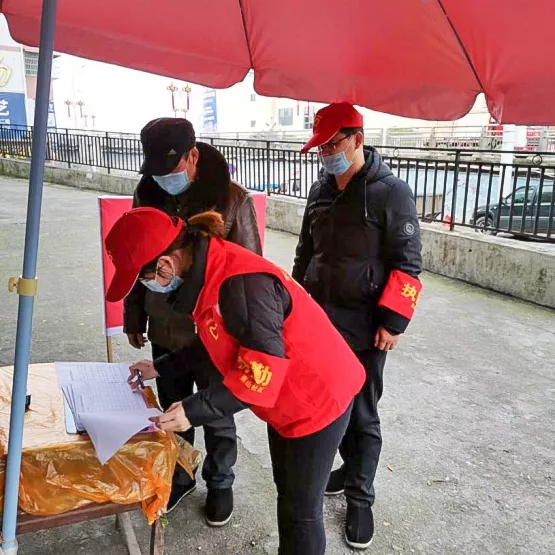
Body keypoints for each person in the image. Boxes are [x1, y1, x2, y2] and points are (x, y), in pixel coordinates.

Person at [105, 207, 365, 555]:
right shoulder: (210, 270)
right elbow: (215, 339)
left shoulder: (241, 284)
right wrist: (162, 367)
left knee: (301, 511)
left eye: (145, 278)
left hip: (318, 397)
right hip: (287, 398)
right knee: (288, 495)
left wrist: (193, 411)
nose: (148, 287)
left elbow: (262, 373)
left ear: (166, 263)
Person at [292, 103, 423, 550]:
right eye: (321, 148)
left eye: (333, 145)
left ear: (357, 140)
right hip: (320, 322)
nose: (327, 154)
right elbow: (305, 251)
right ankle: (349, 469)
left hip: (366, 326)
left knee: (362, 413)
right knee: (329, 405)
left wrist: (394, 322)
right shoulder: (320, 189)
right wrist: (295, 302)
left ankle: (360, 498)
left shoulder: (391, 193)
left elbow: (408, 264)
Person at [123, 117, 262, 524]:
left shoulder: (232, 200)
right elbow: (135, 258)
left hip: (214, 331)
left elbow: (249, 273)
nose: (164, 179)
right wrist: (134, 313)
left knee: (216, 412)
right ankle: (181, 475)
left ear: (194, 156)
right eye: (157, 172)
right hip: (165, 323)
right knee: (172, 408)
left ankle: (220, 482)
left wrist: (243, 333)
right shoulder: (146, 194)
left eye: (172, 169)